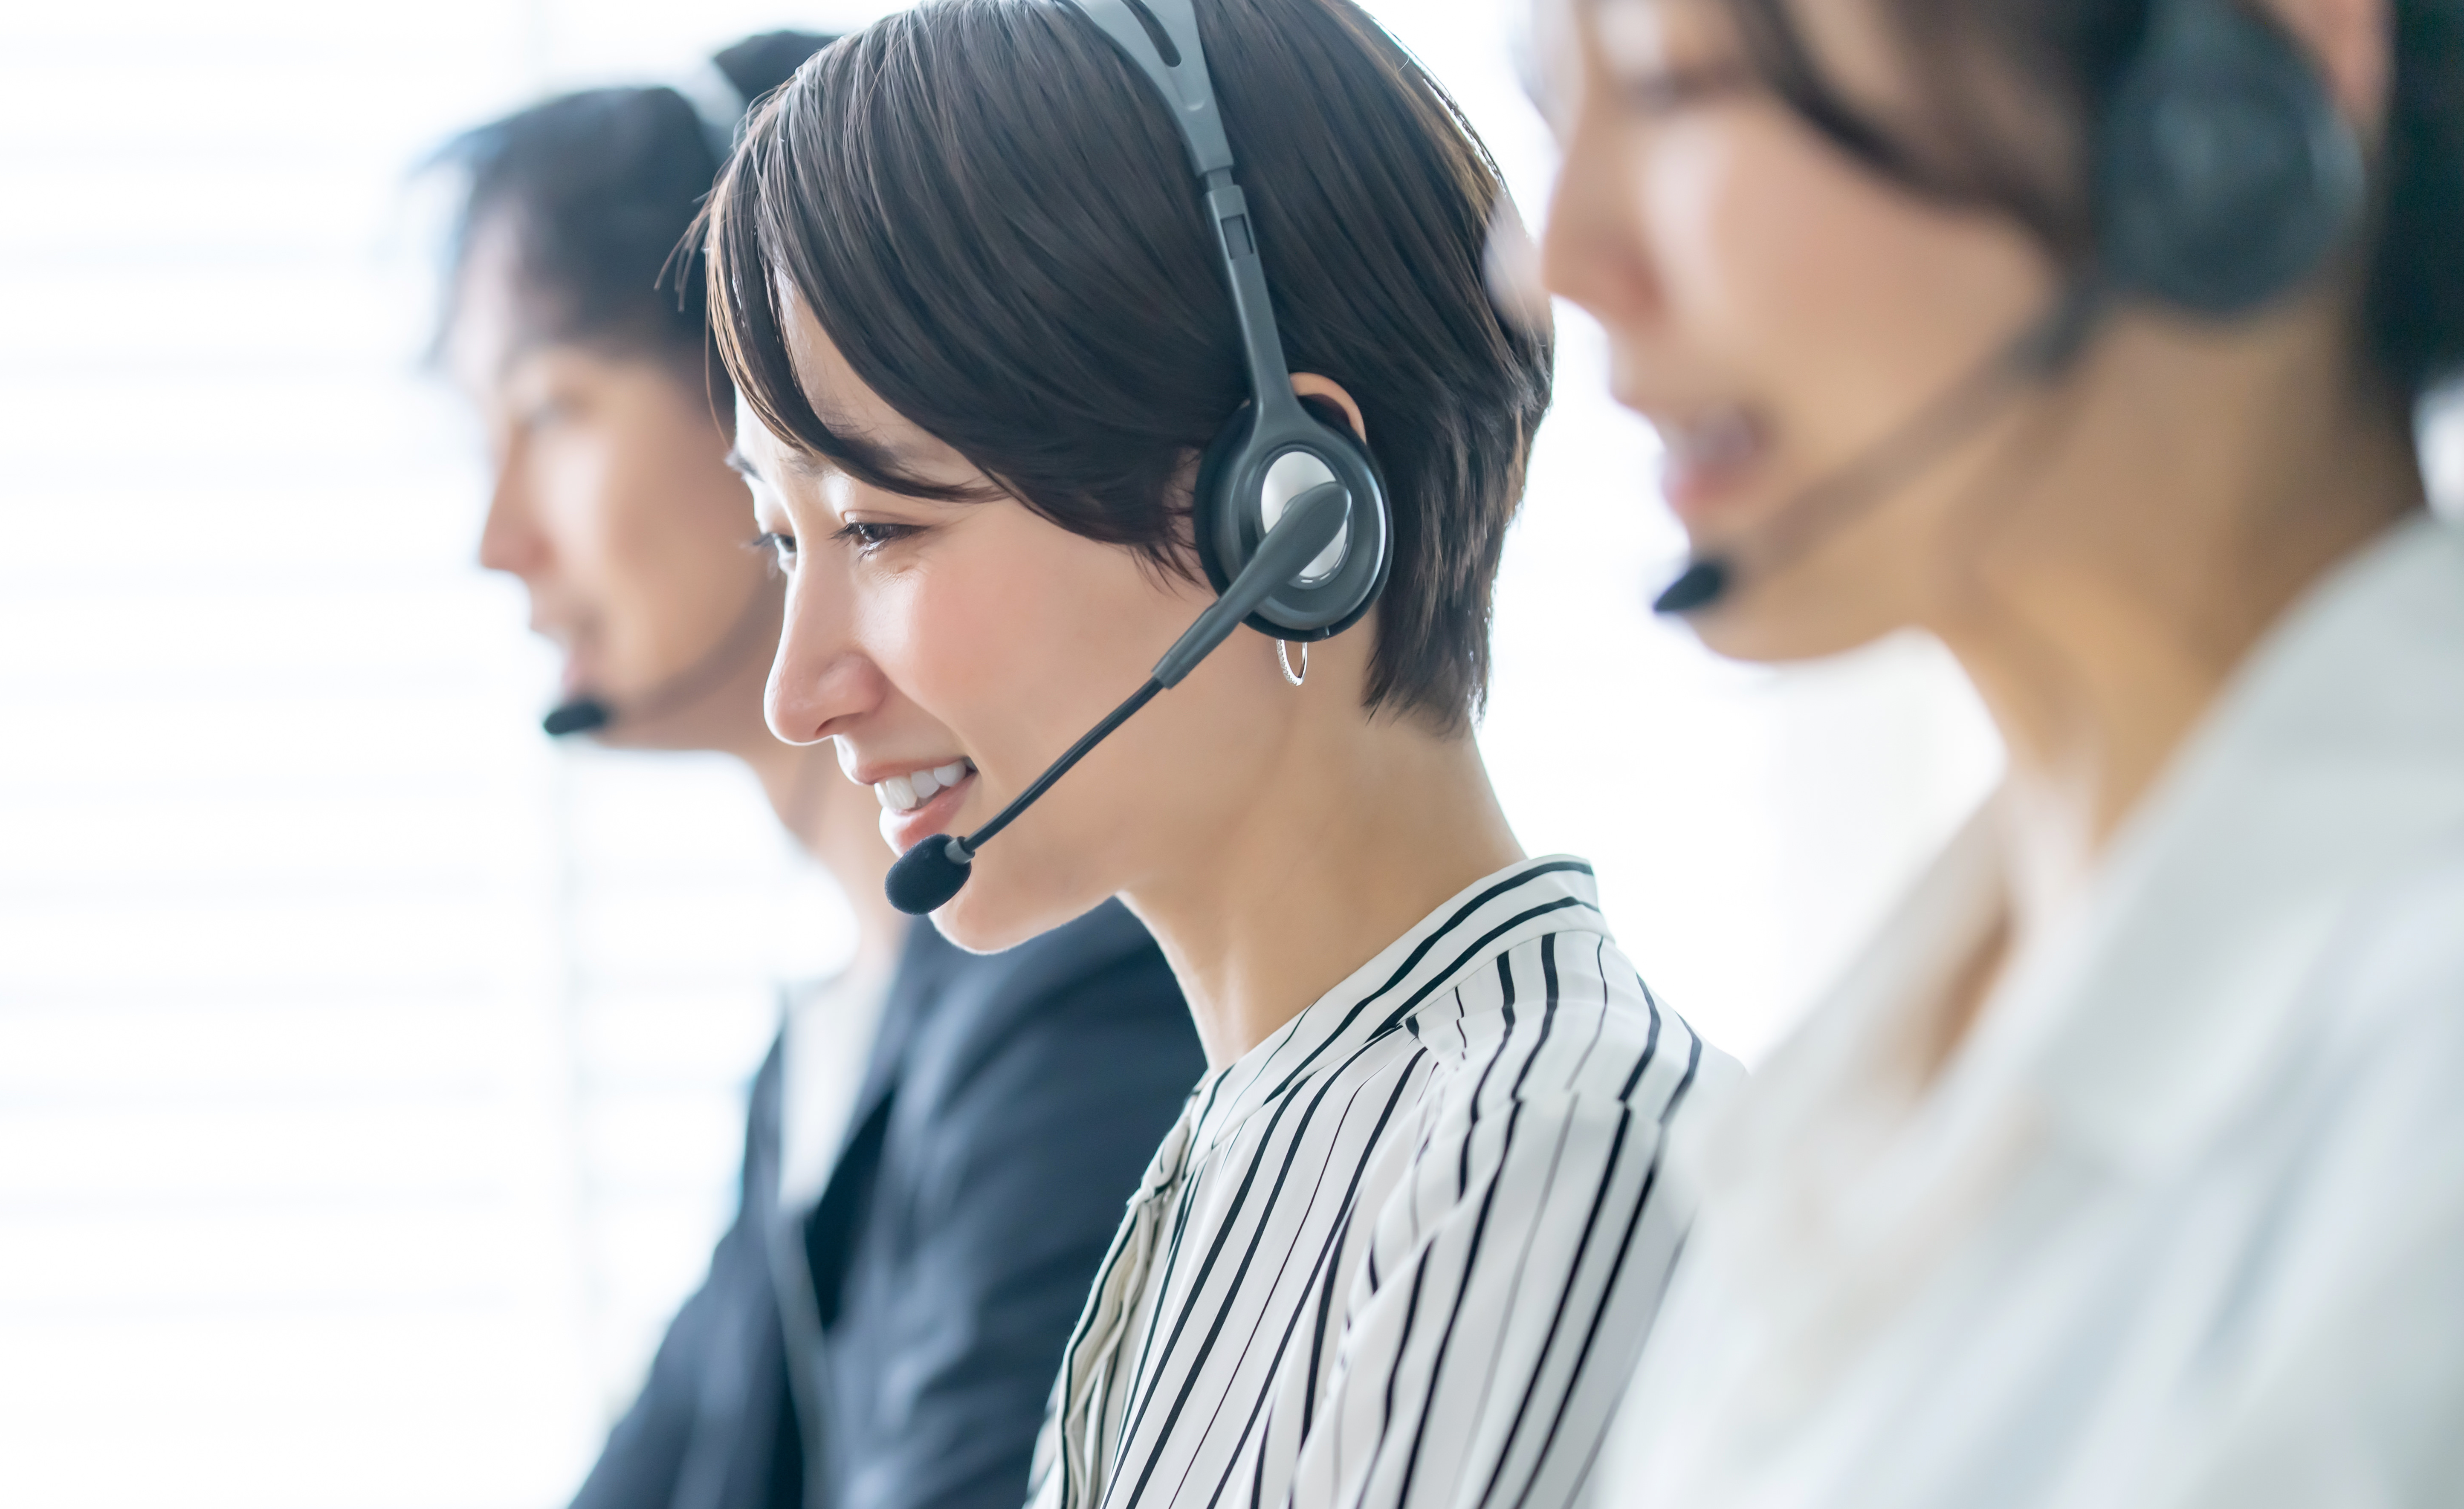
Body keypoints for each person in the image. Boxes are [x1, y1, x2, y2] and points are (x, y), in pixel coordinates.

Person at [1530, 0, 2464, 1502]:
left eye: (1676, 83)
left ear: (2240, 63)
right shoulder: (1863, 1085)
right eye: (1555, 108)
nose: (1562, 260)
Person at [701, 5, 1724, 1507]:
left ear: (1282, 514)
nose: (799, 689)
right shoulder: (1232, 1169)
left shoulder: (1544, 1152)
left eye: (879, 527)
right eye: (782, 540)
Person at [431, 33, 1208, 1509]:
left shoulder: (1071, 987)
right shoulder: (818, 1063)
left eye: (550, 414)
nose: (498, 536)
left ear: (768, 392)